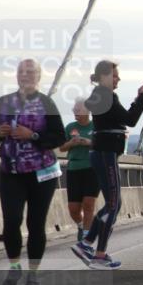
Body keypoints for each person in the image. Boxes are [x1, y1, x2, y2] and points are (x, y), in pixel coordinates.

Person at [0, 59, 65, 285]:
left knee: (36, 223)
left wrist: (33, 135)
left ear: (38, 76)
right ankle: (14, 268)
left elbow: (59, 137)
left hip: (41, 174)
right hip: (11, 171)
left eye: (30, 72)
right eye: (21, 71)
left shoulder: (46, 103)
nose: (25, 75)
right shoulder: (4, 102)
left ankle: (33, 273)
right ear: (16, 76)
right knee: (11, 221)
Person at [72, 60, 143, 269]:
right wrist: (142, 98)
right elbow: (130, 119)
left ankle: (89, 245)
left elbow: (118, 118)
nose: (118, 79)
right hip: (105, 154)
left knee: (112, 204)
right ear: (105, 76)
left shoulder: (101, 96)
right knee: (114, 204)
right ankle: (96, 252)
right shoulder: (106, 96)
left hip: (102, 153)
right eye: (115, 75)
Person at [60, 99, 100, 242]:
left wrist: (89, 143)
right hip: (74, 169)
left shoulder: (96, 126)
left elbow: (104, 144)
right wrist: (71, 143)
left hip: (93, 168)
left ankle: (86, 236)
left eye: (78, 109)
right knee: (73, 208)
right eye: (74, 109)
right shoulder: (70, 127)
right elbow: (61, 148)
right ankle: (81, 225)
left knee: (88, 204)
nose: (75, 112)